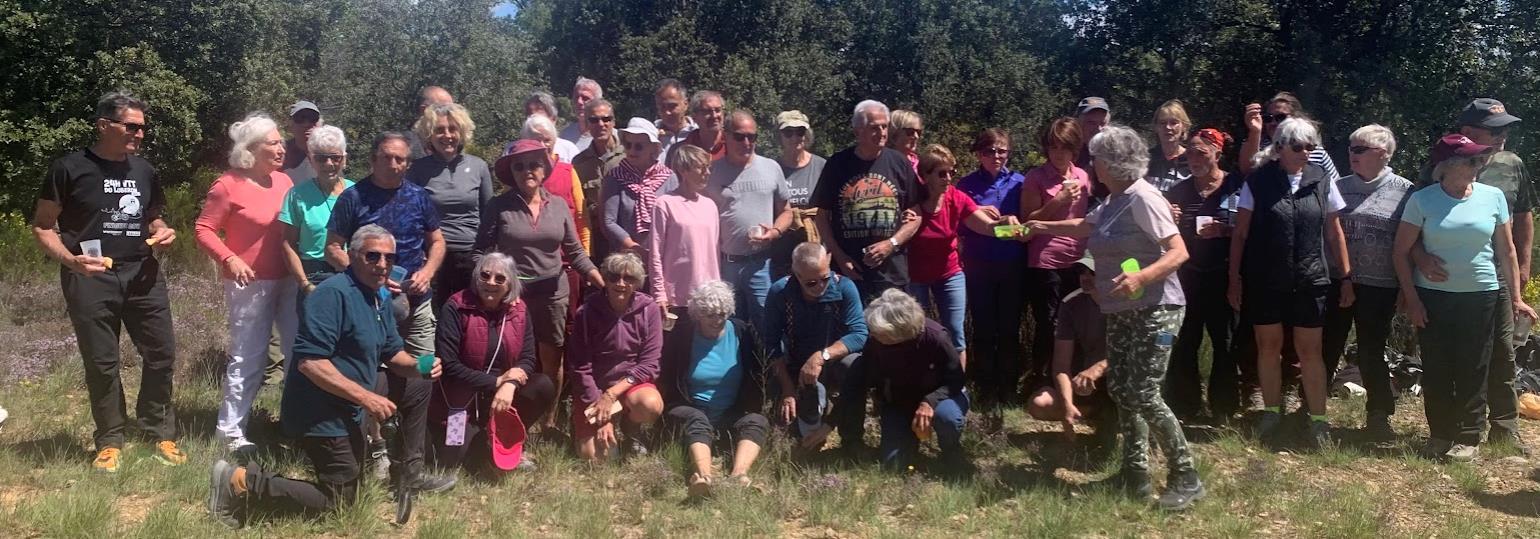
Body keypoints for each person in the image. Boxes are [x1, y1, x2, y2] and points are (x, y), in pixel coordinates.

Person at [208, 225, 443, 528]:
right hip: (319, 412)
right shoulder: (332, 295)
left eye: (389, 258)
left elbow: (391, 352)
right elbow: (310, 363)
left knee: (415, 389)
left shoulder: (378, 297)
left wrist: (420, 366)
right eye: (373, 256)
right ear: (352, 256)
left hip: (350, 404)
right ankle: (240, 480)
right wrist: (367, 397)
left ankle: (407, 472)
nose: (383, 264)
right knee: (341, 502)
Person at [1025, 124, 1203, 511]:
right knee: (1122, 389)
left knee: (1144, 392)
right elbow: (1085, 226)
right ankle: (1134, 475)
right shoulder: (1115, 199)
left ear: (1114, 162)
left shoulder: (1143, 197)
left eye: (1097, 158)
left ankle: (1186, 476)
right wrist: (1041, 226)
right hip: (1122, 310)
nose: (1092, 165)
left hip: (1157, 309)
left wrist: (1141, 275)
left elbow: (1178, 250)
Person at [31, 90, 184, 472]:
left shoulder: (144, 170)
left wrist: (163, 230)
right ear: (104, 125)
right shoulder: (69, 168)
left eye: (143, 128)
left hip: (143, 274)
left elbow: (153, 216)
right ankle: (110, 440)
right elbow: (42, 226)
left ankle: (158, 430)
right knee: (102, 362)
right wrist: (70, 260)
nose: (140, 134)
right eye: (131, 126)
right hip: (91, 276)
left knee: (161, 353)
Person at [1394, 134, 1536, 462]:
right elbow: (1401, 252)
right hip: (1433, 298)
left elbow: (1507, 250)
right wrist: (1411, 297)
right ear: (1446, 167)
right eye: (1470, 161)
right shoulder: (1423, 200)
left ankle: (1469, 436)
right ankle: (1440, 434)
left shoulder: (1493, 197)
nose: (1478, 166)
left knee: (1475, 366)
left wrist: (1516, 298)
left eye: (1478, 160)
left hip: (1482, 295)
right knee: (1438, 365)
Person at [325, 133, 452, 493]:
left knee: (421, 373)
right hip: (372, 302)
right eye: (387, 158)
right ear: (373, 159)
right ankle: (378, 451)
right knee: (373, 374)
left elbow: (438, 240)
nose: (394, 165)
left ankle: (412, 463)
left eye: (401, 159)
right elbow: (333, 247)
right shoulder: (353, 197)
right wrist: (369, 279)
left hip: (417, 299)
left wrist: (428, 271)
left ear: (408, 163)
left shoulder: (418, 196)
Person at [1227, 118, 1351, 450]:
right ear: (1280, 147)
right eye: (1298, 147)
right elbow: (1240, 234)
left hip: (1311, 280)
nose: (1305, 153)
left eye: (1311, 146)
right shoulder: (1257, 182)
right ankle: (1270, 412)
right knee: (1268, 348)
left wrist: (1347, 276)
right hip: (1265, 279)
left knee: (1310, 352)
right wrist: (1234, 279)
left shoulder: (1323, 181)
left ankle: (1319, 420)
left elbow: (1335, 232)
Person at [475, 139, 605, 427]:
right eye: (519, 166)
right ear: (512, 172)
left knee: (551, 361)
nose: (527, 171)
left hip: (553, 293)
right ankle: (508, 421)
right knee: (510, 360)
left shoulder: (558, 205)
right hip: (512, 295)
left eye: (534, 164)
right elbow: (480, 252)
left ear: (545, 168)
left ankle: (547, 420)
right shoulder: (499, 206)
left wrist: (602, 283)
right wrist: (488, 282)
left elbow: (575, 253)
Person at [195, 113, 298, 455]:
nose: (281, 148)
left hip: (289, 279)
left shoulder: (284, 182)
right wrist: (230, 258)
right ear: (252, 149)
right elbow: (203, 230)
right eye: (274, 143)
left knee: (299, 353)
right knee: (248, 357)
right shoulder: (227, 185)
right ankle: (230, 432)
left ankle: (297, 424)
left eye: (281, 141)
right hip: (249, 283)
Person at [1320, 125, 1414, 441]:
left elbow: (1411, 242)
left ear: (1383, 154)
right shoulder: (1337, 186)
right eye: (1350, 147)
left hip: (1381, 284)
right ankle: (1311, 409)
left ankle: (1379, 414)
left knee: (1372, 350)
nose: (1352, 154)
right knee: (1327, 345)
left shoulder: (1405, 190)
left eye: (1360, 149)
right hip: (1337, 279)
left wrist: (1406, 286)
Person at [429, 252, 557, 473]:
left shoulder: (519, 310)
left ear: (510, 285)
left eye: (500, 278)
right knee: (453, 461)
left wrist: (510, 385)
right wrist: (497, 381)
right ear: (476, 277)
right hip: (460, 402)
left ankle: (503, 439)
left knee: (543, 385)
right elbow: (449, 365)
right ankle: (484, 444)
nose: (491, 283)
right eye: (485, 275)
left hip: (501, 398)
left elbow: (528, 358)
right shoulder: (456, 306)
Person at [1162, 128, 1243, 422]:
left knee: (1225, 342)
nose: (1193, 158)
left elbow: (1249, 229)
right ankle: (1184, 405)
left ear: (1217, 155)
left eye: (1201, 152)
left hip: (1223, 275)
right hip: (1188, 276)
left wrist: (1224, 230)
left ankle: (1223, 408)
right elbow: (1163, 236)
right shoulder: (1179, 191)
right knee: (1184, 341)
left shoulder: (1235, 185)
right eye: (1190, 152)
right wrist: (1169, 218)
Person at [660, 281, 770, 496]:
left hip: (730, 412)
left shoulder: (741, 332)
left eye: (722, 313)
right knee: (697, 420)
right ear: (698, 314)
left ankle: (739, 475)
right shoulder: (683, 335)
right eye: (710, 314)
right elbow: (667, 373)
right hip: (690, 408)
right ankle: (703, 477)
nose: (717, 320)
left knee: (757, 421)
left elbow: (758, 370)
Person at [812, 100, 929, 301]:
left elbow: (916, 214)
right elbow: (821, 216)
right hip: (849, 271)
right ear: (857, 132)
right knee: (855, 330)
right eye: (874, 128)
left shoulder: (899, 162)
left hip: (892, 273)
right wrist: (840, 257)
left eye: (885, 126)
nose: (882, 132)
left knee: (894, 330)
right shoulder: (837, 164)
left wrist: (892, 243)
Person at [838, 289, 968, 470]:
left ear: (899, 331)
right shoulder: (876, 341)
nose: (874, 335)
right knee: (893, 464)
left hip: (942, 400)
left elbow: (956, 379)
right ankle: (910, 442)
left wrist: (929, 402)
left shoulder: (936, 337)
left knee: (947, 418)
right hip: (900, 403)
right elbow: (859, 382)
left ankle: (951, 450)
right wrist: (831, 422)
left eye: (880, 333)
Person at [905, 144, 1010, 369]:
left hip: (949, 272)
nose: (948, 178)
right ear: (925, 175)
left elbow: (988, 227)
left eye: (952, 172)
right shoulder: (912, 202)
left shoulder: (956, 198)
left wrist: (1012, 228)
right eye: (941, 173)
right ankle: (923, 387)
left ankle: (957, 389)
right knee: (918, 331)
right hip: (916, 276)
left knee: (955, 332)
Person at [766, 243, 868, 451]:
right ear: (796, 274)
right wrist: (787, 389)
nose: (821, 286)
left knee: (856, 367)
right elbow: (771, 344)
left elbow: (859, 334)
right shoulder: (780, 292)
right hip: (798, 365)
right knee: (802, 420)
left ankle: (852, 440)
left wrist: (822, 356)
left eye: (825, 278)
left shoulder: (844, 287)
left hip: (834, 359)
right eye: (811, 283)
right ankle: (811, 432)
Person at [567, 253, 666, 460]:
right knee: (596, 458)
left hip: (629, 385)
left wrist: (611, 396)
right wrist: (603, 414)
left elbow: (649, 363)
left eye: (628, 278)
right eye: (614, 277)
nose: (620, 283)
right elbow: (580, 367)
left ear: (637, 282)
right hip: (594, 388)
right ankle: (585, 425)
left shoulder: (649, 310)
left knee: (650, 404)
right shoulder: (586, 312)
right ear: (605, 278)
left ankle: (631, 430)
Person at [957, 128, 1028, 410]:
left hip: (1012, 264)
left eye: (1002, 150)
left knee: (1009, 329)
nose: (996, 156)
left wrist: (1010, 223)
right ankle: (986, 388)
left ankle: (1008, 388)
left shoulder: (1020, 183)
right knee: (984, 329)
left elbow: (1028, 222)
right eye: (990, 151)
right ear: (979, 153)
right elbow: (959, 223)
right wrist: (985, 221)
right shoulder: (966, 185)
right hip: (979, 264)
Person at [706, 110, 795, 332]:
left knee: (767, 322)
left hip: (760, 263)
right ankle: (736, 367)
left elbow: (787, 211)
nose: (746, 142)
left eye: (752, 137)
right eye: (739, 136)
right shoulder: (711, 171)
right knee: (724, 323)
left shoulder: (770, 167)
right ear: (725, 136)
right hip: (724, 264)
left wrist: (774, 232)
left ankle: (770, 366)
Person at [1019, 117, 1092, 381]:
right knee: (1048, 323)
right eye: (1053, 148)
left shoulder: (1083, 176)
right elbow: (1028, 223)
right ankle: (1041, 379)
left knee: (1078, 322)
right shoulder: (1036, 177)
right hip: (1045, 261)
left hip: (1078, 260)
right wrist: (1059, 200)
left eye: (1065, 148)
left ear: (1075, 149)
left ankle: (1073, 381)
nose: (1059, 154)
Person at [407, 103, 493, 314]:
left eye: (453, 129)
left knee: (471, 316)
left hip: (471, 255)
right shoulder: (418, 170)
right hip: (434, 259)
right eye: (439, 130)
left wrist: (486, 256)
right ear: (429, 134)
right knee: (439, 317)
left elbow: (489, 216)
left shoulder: (478, 166)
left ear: (462, 132)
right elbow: (411, 218)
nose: (447, 135)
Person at [1026, 256, 1113, 440]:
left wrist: (1098, 369)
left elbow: (1131, 354)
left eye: (1093, 273)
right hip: (1083, 381)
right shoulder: (1071, 304)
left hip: (1117, 376)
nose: (1085, 277)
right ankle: (1089, 412)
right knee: (1040, 403)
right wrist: (1066, 404)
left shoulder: (1125, 303)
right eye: (1081, 272)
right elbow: (1061, 364)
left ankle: (1112, 416)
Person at [281, 125, 353, 302]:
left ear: (344, 159)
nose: (328, 164)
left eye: (335, 157)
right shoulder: (297, 195)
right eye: (321, 158)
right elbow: (288, 244)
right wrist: (305, 284)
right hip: (315, 277)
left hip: (353, 277)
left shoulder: (356, 192)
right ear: (311, 160)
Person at [650, 145, 721, 322]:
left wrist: (718, 289)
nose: (707, 173)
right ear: (683, 170)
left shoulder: (710, 205)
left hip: (708, 295)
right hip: (677, 297)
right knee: (678, 348)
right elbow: (655, 253)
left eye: (708, 168)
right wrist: (659, 294)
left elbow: (715, 252)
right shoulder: (664, 204)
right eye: (701, 167)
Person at [602, 118, 677, 264]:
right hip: (626, 259)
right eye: (628, 145)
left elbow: (676, 220)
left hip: (664, 256)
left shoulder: (669, 177)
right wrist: (635, 249)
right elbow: (609, 221)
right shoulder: (615, 177)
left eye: (639, 146)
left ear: (653, 149)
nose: (631, 150)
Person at [771, 110, 827, 279]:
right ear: (779, 137)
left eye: (800, 131)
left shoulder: (822, 166)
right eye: (788, 132)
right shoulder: (772, 168)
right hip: (782, 251)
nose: (795, 137)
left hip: (816, 247)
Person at [1238, 91, 1340, 178]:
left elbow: (1335, 187)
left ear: (1295, 118)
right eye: (1268, 118)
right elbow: (1247, 173)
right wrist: (1255, 132)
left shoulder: (1315, 151)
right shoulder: (1256, 146)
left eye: (1280, 117)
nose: (1273, 123)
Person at [573, 98, 625, 261]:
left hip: (626, 237)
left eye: (606, 119)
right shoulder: (579, 163)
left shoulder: (628, 155)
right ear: (587, 125)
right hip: (597, 241)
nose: (601, 124)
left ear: (614, 122)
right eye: (594, 120)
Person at [1146, 100, 1192, 193]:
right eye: (1162, 123)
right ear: (1156, 127)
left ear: (1184, 126)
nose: (1168, 127)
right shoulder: (1145, 158)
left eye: (1174, 123)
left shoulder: (1192, 159)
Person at [676, 90, 726, 162]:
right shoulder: (679, 151)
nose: (714, 116)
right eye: (707, 111)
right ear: (694, 117)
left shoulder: (735, 144)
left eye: (718, 110)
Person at [407, 86, 455, 160]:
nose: (451, 114)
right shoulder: (405, 147)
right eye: (444, 109)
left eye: (452, 109)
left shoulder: (453, 146)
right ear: (424, 110)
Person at [559, 76, 604, 153]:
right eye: (576, 97)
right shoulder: (565, 135)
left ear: (598, 102)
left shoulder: (610, 136)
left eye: (585, 98)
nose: (579, 102)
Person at [1075, 97, 1111, 193]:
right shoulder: (1068, 151)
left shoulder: (1115, 154)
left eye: (1103, 123)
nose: (1098, 128)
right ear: (1079, 123)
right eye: (1091, 123)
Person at [654, 78, 696, 157]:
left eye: (672, 106)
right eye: (662, 107)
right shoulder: (651, 135)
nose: (667, 112)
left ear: (686, 104)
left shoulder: (698, 133)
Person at [282, 100, 322, 183]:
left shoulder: (329, 152)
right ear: (291, 125)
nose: (307, 124)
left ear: (320, 124)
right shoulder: (280, 152)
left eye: (313, 118)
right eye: (300, 118)